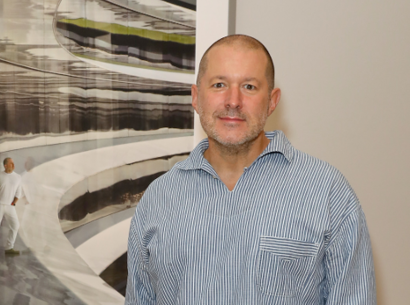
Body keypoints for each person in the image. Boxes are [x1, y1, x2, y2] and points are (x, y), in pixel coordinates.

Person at [126, 34, 375, 304]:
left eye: (249, 86)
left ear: (271, 100)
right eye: (219, 84)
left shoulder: (328, 193)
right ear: (196, 97)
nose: (233, 101)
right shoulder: (158, 199)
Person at [0, 157, 23, 256]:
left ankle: (9, 247)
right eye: (11, 163)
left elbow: (19, 192)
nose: (13, 165)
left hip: (10, 206)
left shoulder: (18, 177)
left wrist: (14, 203)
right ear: (5, 165)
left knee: (15, 225)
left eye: (13, 163)